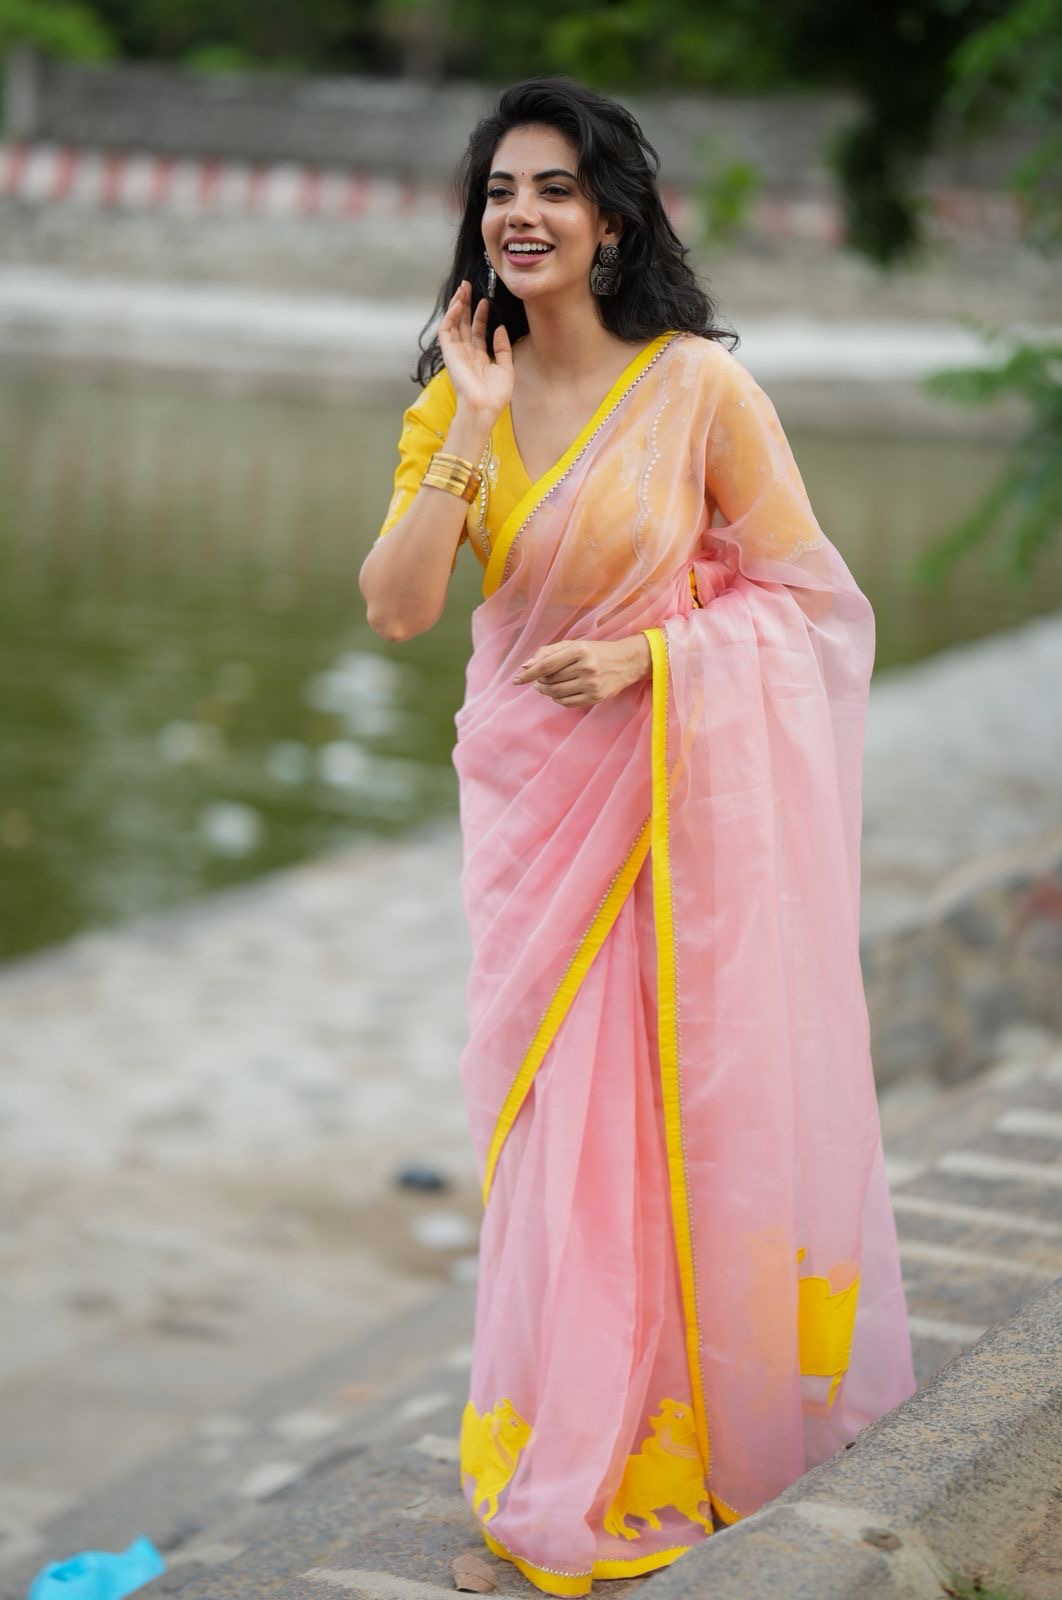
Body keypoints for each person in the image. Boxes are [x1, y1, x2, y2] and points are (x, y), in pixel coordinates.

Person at [358, 75, 917, 1600]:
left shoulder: (696, 392)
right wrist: (469, 426)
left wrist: (657, 662)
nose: (521, 215)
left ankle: (672, 1450)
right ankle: (565, 1450)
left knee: (670, 1129)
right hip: (535, 825)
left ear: (611, 217)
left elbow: (810, 602)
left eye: (552, 188)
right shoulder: (452, 395)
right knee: (556, 1142)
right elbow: (402, 608)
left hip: (674, 828)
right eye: (497, 192)